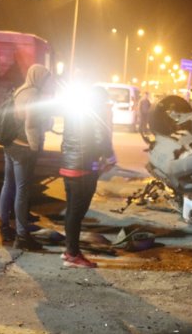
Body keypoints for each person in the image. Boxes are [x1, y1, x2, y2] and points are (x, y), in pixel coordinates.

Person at [59, 86, 116, 268]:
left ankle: (70, 251)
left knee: (71, 212)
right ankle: (73, 255)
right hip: (83, 169)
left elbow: (65, 140)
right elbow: (101, 138)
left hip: (68, 167)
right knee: (77, 213)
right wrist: (110, 157)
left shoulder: (73, 112)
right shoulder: (94, 112)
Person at [0, 64, 52, 251]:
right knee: (22, 190)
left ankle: (4, 226)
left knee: (8, 184)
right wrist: (35, 146)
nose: (46, 82)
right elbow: (31, 124)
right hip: (23, 147)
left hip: (10, 144)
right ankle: (22, 236)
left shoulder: (20, 91)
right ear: (38, 77)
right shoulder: (34, 95)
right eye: (45, 78)